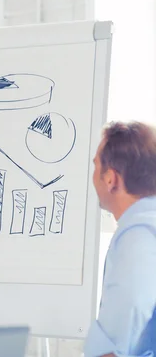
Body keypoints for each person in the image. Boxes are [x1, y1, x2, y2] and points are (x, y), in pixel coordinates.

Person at [84, 121, 156, 357]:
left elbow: (117, 343)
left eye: (95, 166)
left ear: (110, 179)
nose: (93, 175)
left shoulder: (139, 235)